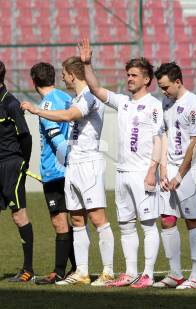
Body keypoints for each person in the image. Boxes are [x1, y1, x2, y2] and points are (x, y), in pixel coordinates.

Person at [21, 56, 114, 286]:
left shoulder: (89, 97)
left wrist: (37, 110)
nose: (62, 77)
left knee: (96, 217)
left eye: (64, 73)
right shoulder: (71, 97)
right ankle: (81, 272)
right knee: (77, 219)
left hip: (84, 164)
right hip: (72, 165)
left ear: (72, 75)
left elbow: (69, 117)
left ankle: (108, 271)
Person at [79, 39, 162, 288]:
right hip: (123, 172)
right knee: (125, 226)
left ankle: (148, 273)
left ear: (147, 79)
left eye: (134, 75)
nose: (129, 79)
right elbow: (96, 89)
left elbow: (159, 139)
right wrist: (87, 64)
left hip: (142, 173)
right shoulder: (123, 102)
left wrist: (152, 171)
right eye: (128, 75)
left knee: (147, 225)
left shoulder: (155, 106)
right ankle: (130, 272)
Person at [153, 62, 196, 289]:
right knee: (166, 219)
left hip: (190, 170)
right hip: (170, 168)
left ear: (178, 82)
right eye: (160, 88)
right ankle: (175, 274)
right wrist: (163, 167)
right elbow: (164, 133)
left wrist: (180, 175)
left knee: (192, 220)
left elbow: (195, 143)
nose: (163, 92)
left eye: (166, 87)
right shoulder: (166, 102)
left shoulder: (195, 105)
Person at [29, 62, 77, 285]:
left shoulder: (46, 106)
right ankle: (78, 269)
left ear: (34, 82)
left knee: (60, 223)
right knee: (74, 220)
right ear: (54, 78)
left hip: (56, 172)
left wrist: (70, 159)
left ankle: (59, 272)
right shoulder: (65, 98)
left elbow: (57, 140)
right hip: (70, 170)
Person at [0, 60, 34, 282]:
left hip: (11, 165)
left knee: (18, 215)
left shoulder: (10, 103)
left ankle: (28, 270)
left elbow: (25, 136)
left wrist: (23, 163)